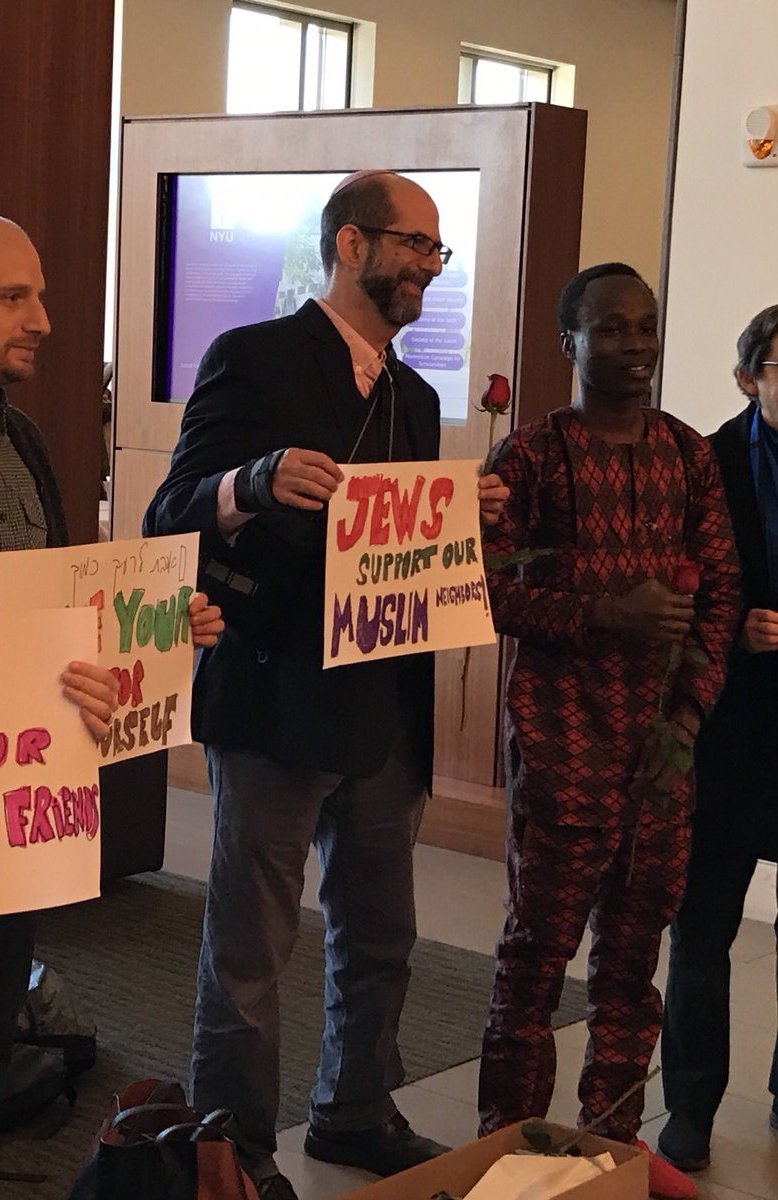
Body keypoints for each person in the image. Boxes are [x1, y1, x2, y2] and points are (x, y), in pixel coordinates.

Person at [144, 169, 508, 1200]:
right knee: (252, 950)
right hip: (272, 698)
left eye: (440, 252)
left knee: (382, 931)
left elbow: (395, 549)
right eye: (417, 246)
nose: (432, 267)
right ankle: (238, 1153)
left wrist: (451, 521)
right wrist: (247, 484)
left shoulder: (416, 394)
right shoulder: (252, 358)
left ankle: (355, 1112)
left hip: (387, 708)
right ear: (352, 245)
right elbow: (170, 513)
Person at [0, 207, 223, 1196]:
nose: (45, 320)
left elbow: (63, 609)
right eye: (15, 297)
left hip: (9, 813)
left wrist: (152, 625)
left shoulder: (22, 438)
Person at [476, 262, 740, 1200]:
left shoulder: (688, 454)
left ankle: (609, 1161)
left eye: (646, 327)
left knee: (633, 972)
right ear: (570, 344)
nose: (633, 347)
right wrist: (604, 611)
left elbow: (719, 593)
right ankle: (510, 1160)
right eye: (612, 330)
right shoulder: (532, 457)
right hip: (560, 753)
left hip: (663, 762)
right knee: (534, 967)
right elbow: (490, 588)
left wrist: (688, 715)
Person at [658, 304, 778, 1173]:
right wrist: (733, 626)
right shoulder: (703, 463)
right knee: (702, 930)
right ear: (749, 378)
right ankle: (690, 1108)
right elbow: (672, 588)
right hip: (726, 729)